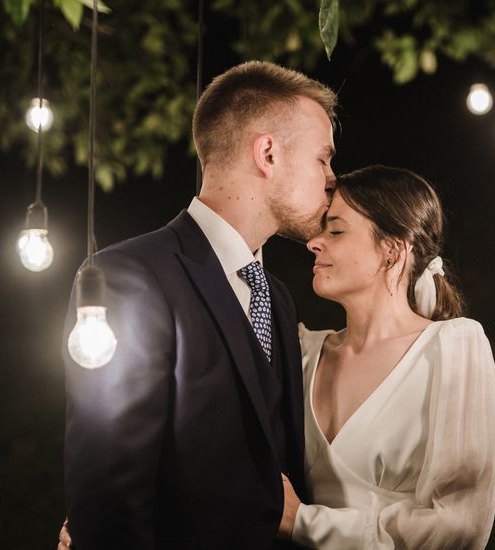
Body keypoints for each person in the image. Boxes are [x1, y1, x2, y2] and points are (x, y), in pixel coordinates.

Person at [60, 60, 337, 549]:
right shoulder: (132, 279)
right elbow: (110, 488)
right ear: (267, 153)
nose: (333, 178)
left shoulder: (278, 297)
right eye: (322, 159)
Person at [278, 165, 495, 549]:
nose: (315, 242)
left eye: (336, 230)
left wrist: (304, 521)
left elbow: (459, 527)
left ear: (392, 250)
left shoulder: (453, 348)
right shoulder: (302, 351)